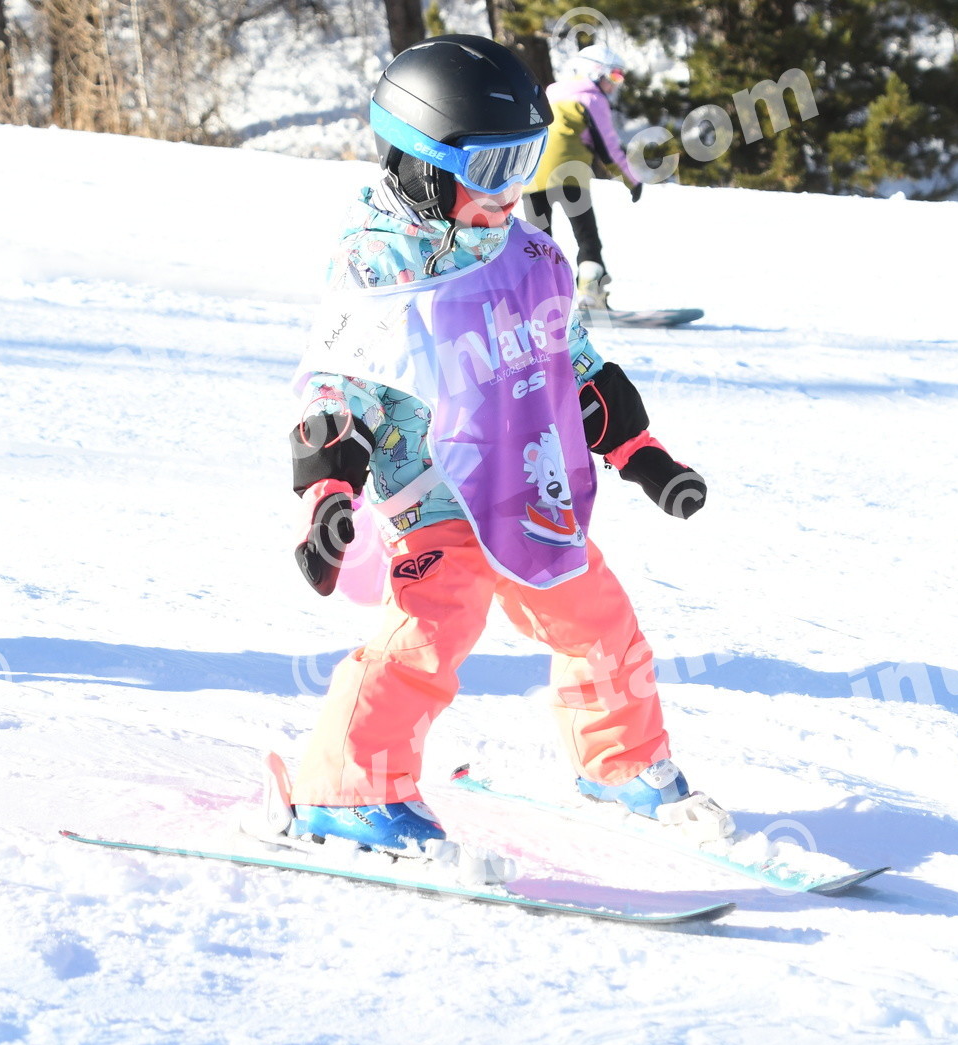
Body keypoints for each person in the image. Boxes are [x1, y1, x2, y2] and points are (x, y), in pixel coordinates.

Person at [285, 35, 727, 857]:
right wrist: (328, 499)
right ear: (422, 165)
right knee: (427, 637)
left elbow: (574, 363)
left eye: (522, 163)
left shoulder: (527, 255)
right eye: (490, 169)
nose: (509, 191)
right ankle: (346, 789)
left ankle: (619, 762)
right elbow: (340, 390)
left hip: (528, 489)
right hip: (435, 495)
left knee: (600, 621)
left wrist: (641, 454)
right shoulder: (382, 266)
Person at [525, 44, 643, 311]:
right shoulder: (592, 99)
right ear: (595, 72)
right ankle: (590, 297)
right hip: (569, 176)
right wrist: (631, 180)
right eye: (614, 76)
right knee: (587, 238)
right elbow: (608, 148)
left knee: (538, 242)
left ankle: (537, 301)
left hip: (532, 176)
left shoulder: (551, 93)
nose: (615, 84)